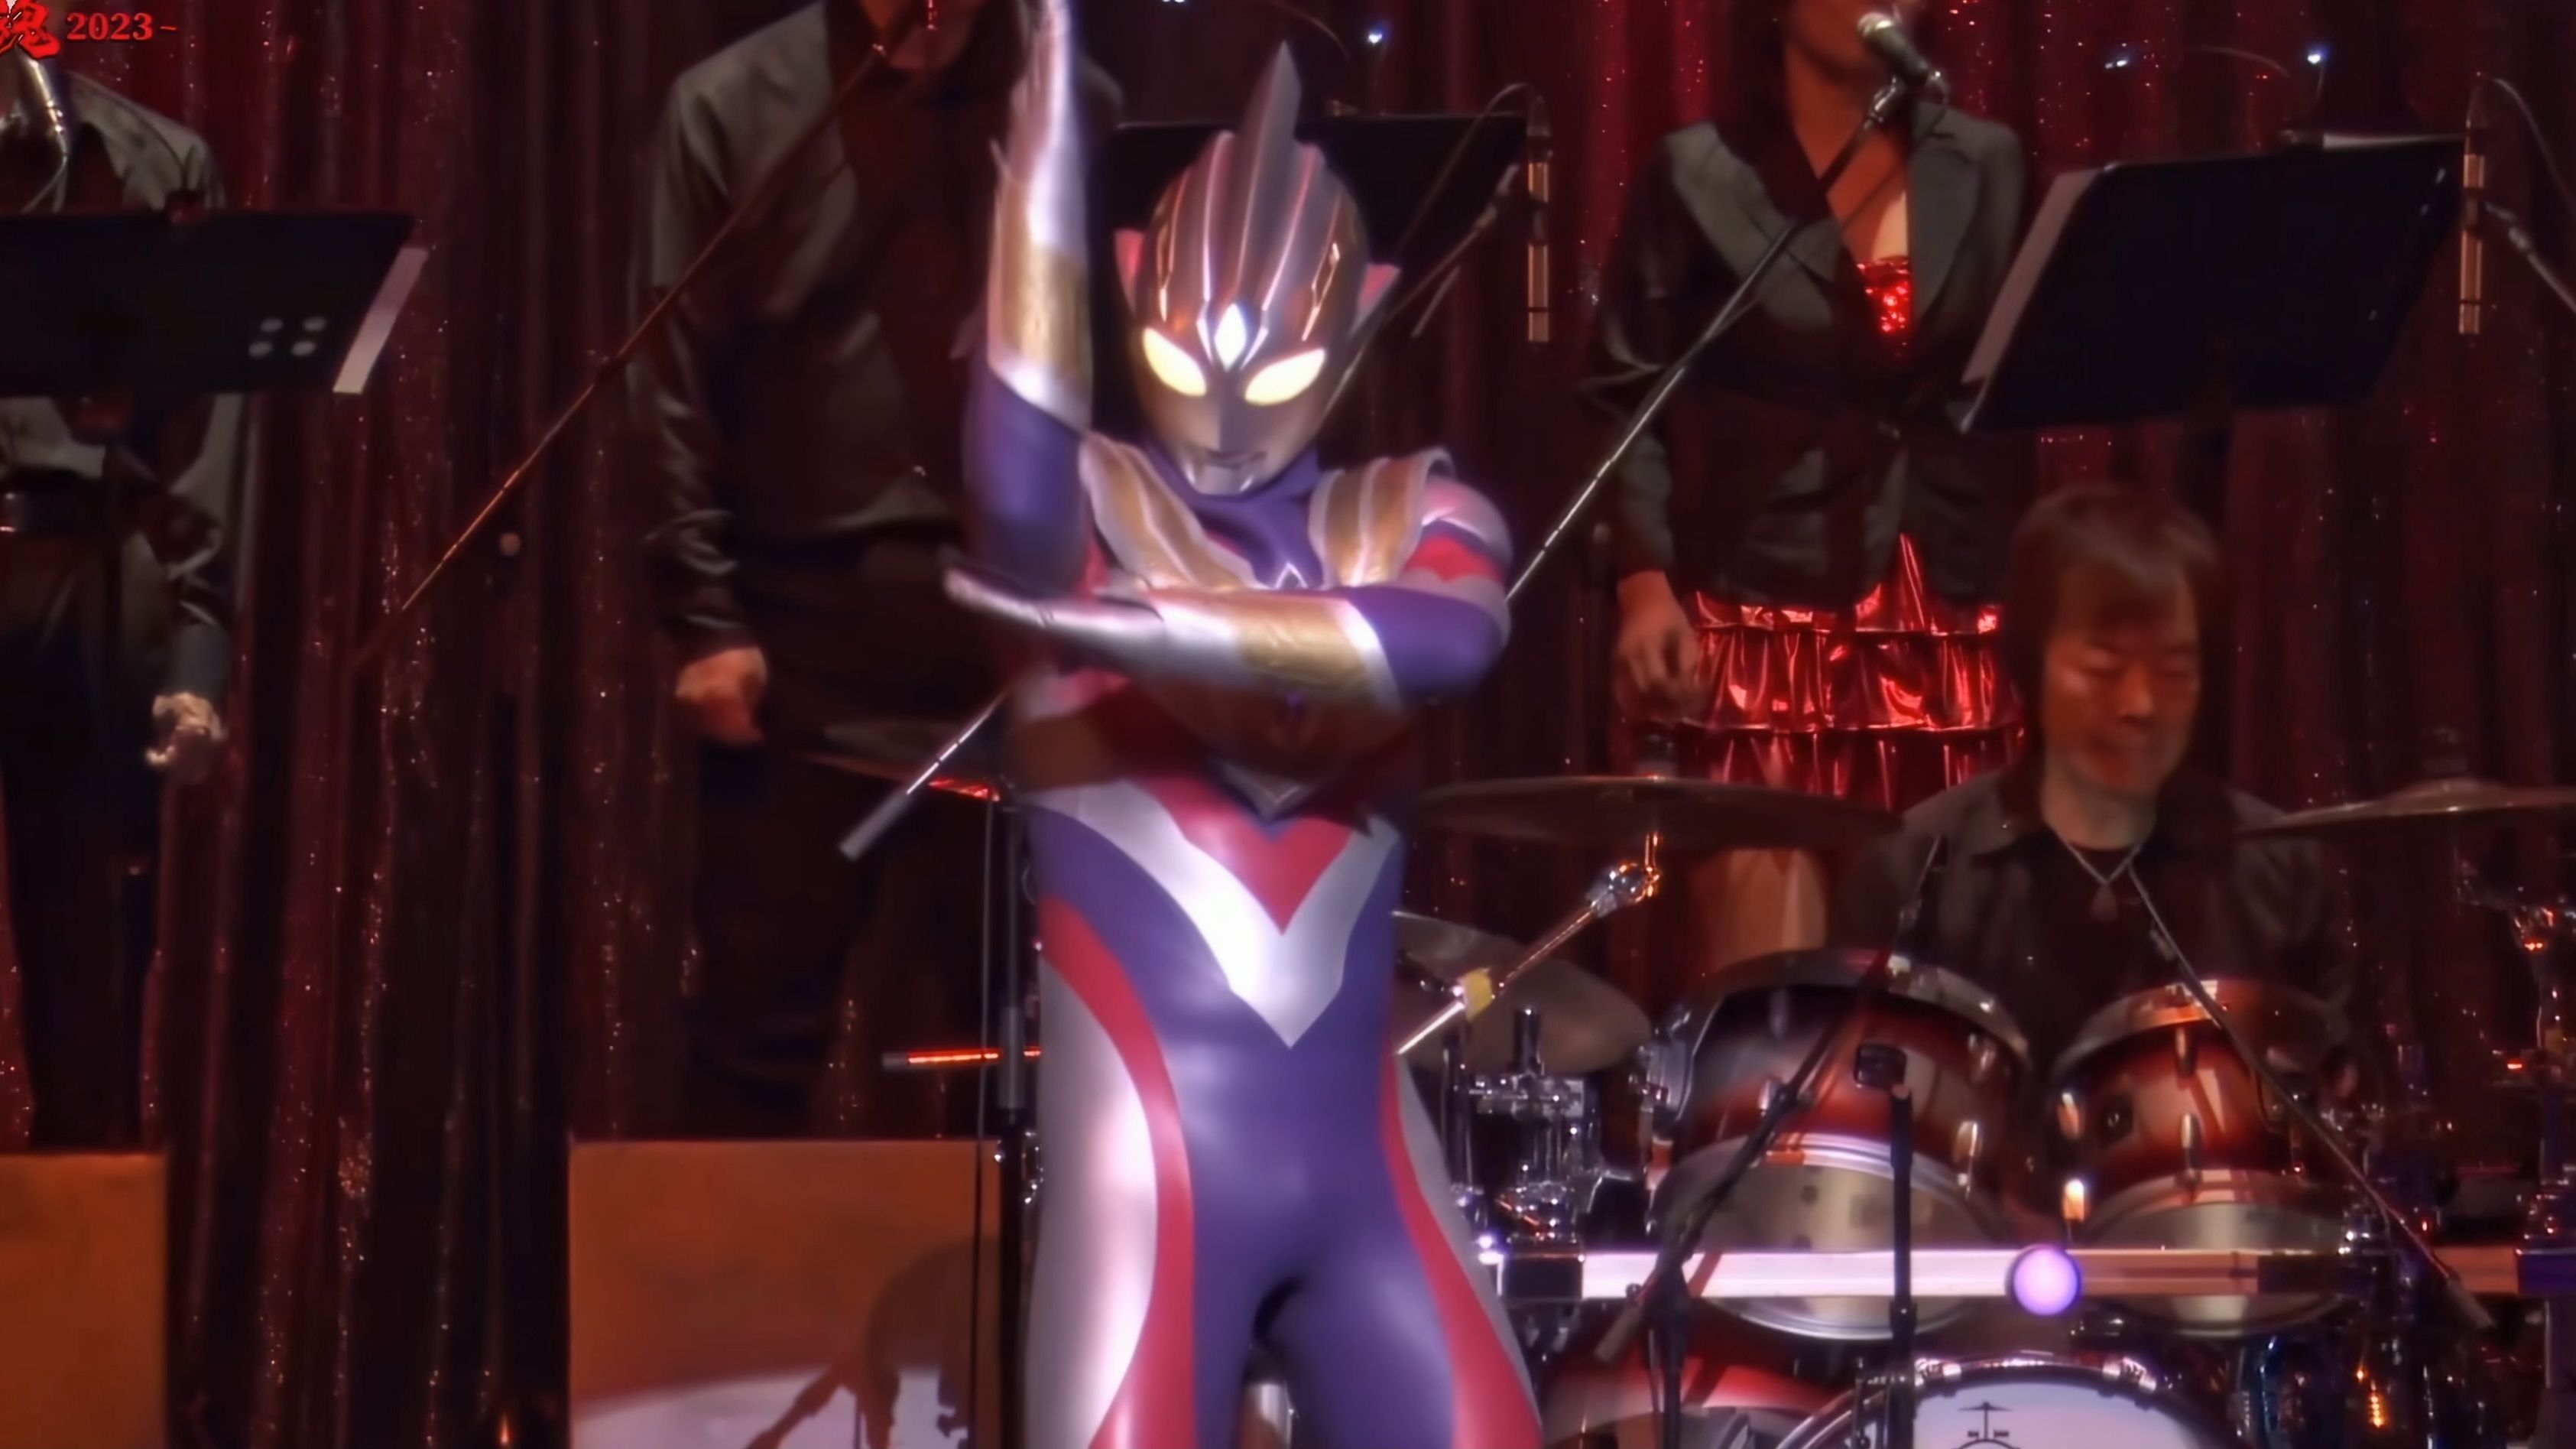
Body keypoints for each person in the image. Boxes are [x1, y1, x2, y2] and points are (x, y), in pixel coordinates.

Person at [943, 2, 1541, 1441]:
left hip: (1369, 1175)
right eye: (1181, 357)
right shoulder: (1086, 506)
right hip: (1145, 1175)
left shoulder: (1413, 509)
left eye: (1269, 371)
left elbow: (1450, 637)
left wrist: (1137, 632)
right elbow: (1015, 458)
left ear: (1362, 318)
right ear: (1126, 291)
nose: (1219, 413)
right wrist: (1042, 159)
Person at [630, 0, 1116, 1138]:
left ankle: (1029, 1263)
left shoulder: (1069, 104)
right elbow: (669, 387)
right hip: (800, 635)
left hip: (1013, 640)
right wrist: (704, 617)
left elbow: (1120, 375)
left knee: (1030, 1043)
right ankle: (734, 1263)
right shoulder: (733, 108)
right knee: (753, 1036)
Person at [1585, 0, 2034, 985]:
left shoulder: (1988, 162)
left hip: (1947, 616)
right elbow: (1626, 394)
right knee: (1772, 999)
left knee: (1943, 994)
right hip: (1766, 612)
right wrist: (1643, 583)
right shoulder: (1699, 172)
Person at [1832, 483, 2354, 1081]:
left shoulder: (2280, 869)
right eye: (2104, 665)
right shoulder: (1913, 871)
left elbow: (2336, 1092)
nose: (2140, 704)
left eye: (2174, 669)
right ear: (2030, 663)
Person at [0, 54, 248, 1148]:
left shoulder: (156, 164)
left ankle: (84, 1233)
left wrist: (197, 657)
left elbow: (202, 439)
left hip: (87, 565)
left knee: (91, 971)